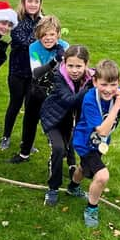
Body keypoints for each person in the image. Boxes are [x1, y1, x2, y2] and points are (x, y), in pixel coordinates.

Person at [72, 60, 120, 228]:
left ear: (119, 82)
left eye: (113, 84)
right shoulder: (90, 98)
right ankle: (91, 209)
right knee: (102, 176)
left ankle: (73, 187)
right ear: (95, 82)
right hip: (84, 142)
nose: (109, 89)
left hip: (100, 143)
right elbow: (102, 130)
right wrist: (117, 107)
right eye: (104, 84)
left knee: (84, 168)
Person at [9, 15, 68, 164]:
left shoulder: (65, 46)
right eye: (44, 35)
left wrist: (63, 57)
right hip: (37, 88)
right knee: (30, 120)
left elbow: (67, 71)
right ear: (38, 35)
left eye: (52, 34)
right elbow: (36, 72)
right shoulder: (34, 47)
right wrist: (55, 61)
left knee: (58, 121)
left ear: (58, 34)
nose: (48, 38)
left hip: (56, 90)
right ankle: (24, 153)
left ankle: (62, 152)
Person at [40, 45, 94, 206]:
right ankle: (53, 188)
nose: (74, 70)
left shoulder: (92, 78)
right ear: (64, 63)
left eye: (79, 66)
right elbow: (69, 100)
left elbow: (108, 88)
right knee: (58, 149)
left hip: (72, 121)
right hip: (53, 118)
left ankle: (74, 184)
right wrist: (90, 87)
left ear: (86, 64)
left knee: (76, 148)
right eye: (70, 65)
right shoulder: (58, 76)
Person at [0, 0, 43, 150]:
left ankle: (27, 141)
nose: (33, 4)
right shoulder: (16, 20)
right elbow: (24, 41)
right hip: (18, 71)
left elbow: (48, 41)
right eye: (29, 1)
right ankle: (6, 136)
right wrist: (40, 38)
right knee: (15, 104)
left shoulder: (42, 21)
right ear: (24, 2)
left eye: (36, 1)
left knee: (31, 108)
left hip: (34, 73)